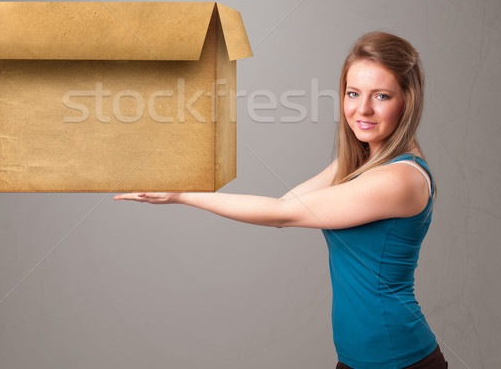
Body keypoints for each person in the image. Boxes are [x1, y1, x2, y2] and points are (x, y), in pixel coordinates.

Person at [114, 32, 447, 369]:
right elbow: (285, 203)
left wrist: (181, 195)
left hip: (400, 361)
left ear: (408, 100)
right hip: (355, 360)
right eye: (353, 93)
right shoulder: (363, 163)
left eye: (381, 96)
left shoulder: (399, 178)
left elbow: (283, 214)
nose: (363, 109)